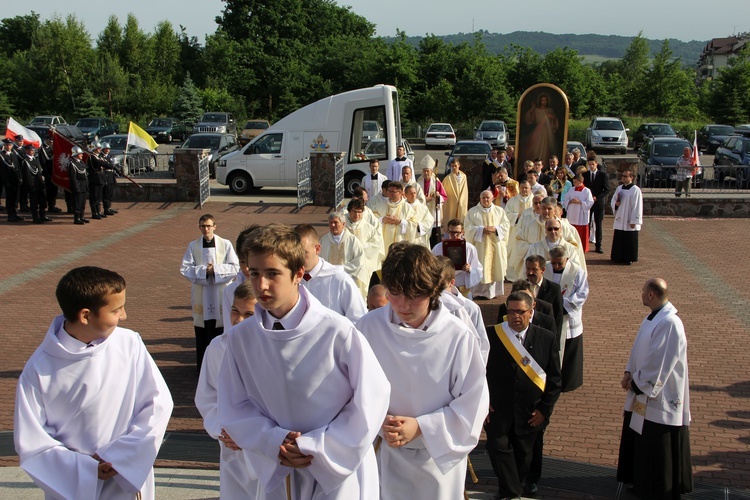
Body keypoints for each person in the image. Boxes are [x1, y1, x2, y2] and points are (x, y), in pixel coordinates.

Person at [217, 224, 390, 499]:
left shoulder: (337, 331)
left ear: (298, 273)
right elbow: (234, 405)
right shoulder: (241, 339)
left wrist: (316, 446)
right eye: (255, 273)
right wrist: (273, 442)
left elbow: (371, 399)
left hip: (336, 467)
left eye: (273, 274)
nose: (261, 285)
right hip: (278, 463)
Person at [14, 266, 173, 500]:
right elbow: (33, 442)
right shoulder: (40, 369)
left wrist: (122, 456)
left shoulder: (129, 343)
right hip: (75, 486)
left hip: (126, 476)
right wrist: (87, 469)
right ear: (86, 315)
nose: (124, 316)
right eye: (116, 310)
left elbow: (157, 403)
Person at [356, 243, 489, 500]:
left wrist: (421, 427)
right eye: (395, 293)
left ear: (434, 290)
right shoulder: (367, 328)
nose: (403, 305)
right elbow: (350, 389)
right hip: (382, 452)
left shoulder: (457, 335)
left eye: (414, 295)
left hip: (437, 459)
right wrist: (375, 419)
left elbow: (473, 403)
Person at [616, 278, 693, 499]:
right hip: (642, 389)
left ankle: (659, 488)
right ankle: (643, 482)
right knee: (643, 440)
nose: (641, 294)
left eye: (643, 291)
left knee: (658, 443)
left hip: (659, 397)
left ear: (651, 294)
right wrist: (629, 371)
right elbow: (638, 346)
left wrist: (638, 383)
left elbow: (659, 362)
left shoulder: (670, 323)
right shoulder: (653, 317)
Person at [484, 291, 561, 500]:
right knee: (497, 448)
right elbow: (476, 372)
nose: (515, 316)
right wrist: (483, 402)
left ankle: (508, 492)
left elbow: (555, 380)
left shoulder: (546, 338)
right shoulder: (491, 335)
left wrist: (544, 410)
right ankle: (511, 492)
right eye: (511, 311)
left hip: (530, 412)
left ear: (531, 311)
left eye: (520, 312)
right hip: (498, 410)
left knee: (523, 458)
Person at [196, 280, 260, 498]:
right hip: (231, 445)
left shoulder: (273, 347)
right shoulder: (218, 347)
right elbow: (207, 396)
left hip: (264, 444)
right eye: (235, 311)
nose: (239, 319)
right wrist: (221, 429)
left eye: (249, 314)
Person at [180, 214, 240, 372]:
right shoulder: (193, 246)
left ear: (215, 226)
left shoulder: (225, 244)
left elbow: (235, 266)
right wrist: (203, 271)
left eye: (208, 226)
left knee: (220, 331)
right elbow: (185, 268)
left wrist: (216, 269)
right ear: (199, 227)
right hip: (202, 293)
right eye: (202, 226)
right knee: (202, 334)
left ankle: (221, 368)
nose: (205, 229)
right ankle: (202, 369)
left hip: (220, 293)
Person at [295, 224, 367, 322]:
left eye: (304, 253)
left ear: (317, 249)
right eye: (294, 253)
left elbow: (359, 319)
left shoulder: (339, 279)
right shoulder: (288, 278)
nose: (298, 258)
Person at [545, 246, 588, 391]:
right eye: (554, 263)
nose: (556, 266)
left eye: (560, 263)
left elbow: (582, 293)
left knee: (569, 350)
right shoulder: (545, 268)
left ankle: (568, 382)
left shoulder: (577, 271)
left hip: (568, 317)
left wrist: (561, 305)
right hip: (549, 315)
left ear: (567, 259)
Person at [464, 190, 510, 299]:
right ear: (480, 199)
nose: (486, 200)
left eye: (488, 197)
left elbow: (506, 226)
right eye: (483, 197)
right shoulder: (472, 212)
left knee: (496, 266)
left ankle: (493, 292)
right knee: (480, 266)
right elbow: (467, 227)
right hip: (480, 246)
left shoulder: (499, 211)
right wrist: (480, 230)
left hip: (496, 246)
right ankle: (479, 292)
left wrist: (496, 229)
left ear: (492, 198)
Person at [319, 212, 369, 298]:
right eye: (331, 223)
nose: (333, 225)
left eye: (335, 222)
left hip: (347, 280)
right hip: (329, 281)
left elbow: (359, 262)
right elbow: (318, 260)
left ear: (343, 224)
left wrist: (341, 268)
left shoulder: (352, 240)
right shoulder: (324, 240)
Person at [431, 218, 483, 294]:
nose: (454, 235)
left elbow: (478, 269)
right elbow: (431, 267)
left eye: (457, 233)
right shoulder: (438, 248)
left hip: (463, 285)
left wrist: (470, 269)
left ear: (462, 232)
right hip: (445, 286)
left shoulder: (470, 248)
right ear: (448, 232)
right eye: (451, 233)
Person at [221, 225, 260, 327]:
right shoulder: (230, 291)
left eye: (251, 262)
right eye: (242, 262)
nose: (247, 268)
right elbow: (228, 328)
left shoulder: (275, 290)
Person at [370, 181, 419, 250]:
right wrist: (382, 219)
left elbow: (414, 224)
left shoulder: (407, 208)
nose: (390, 194)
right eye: (389, 191)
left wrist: (400, 222)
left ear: (401, 192)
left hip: (400, 243)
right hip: (384, 242)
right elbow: (372, 217)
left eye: (393, 192)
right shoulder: (380, 205)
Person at [525, 254, 564, 338]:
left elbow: (558, 318)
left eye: (534, 269)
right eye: (528, 269)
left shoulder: (554, 289)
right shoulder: (520, 287)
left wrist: (555, 341)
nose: (530, 272)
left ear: (543, 270)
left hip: (544, 335)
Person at [611, 169, 643, 265]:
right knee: (619, 237)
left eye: (626, 176)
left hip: (629, 217)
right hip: (620, 216)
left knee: (629, 239)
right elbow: (613, 200)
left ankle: (629, 258)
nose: (623, 178)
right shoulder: (619, 188)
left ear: (631, 178)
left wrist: (634, 220)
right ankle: (617, 257)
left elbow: (637, 206)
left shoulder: (635, 190)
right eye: (623, 176)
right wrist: (616, 204)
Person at [345, 198, 385, 276]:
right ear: (349, 211)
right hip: (346, 264)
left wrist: (361, 245)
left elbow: (376, 245)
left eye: (359, 212)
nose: (357, 215)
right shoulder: (342, 226)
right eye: (354, 211)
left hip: (362, 266)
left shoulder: (369, 228)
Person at [522, 94, 559, 168]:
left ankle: (544, 165)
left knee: (545, 150)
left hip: (547, 133)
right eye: (542, 100)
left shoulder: (550, 110)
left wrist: (552, 117)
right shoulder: (536, 110)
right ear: (540, 101)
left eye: (545, 100)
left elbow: (555, 121)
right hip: (537, 132)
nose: (544, 102)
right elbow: (531, 120)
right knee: (535, 149)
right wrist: (532, 110)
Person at [583, 156, 610, 254]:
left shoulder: (602, 175)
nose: (591, 166)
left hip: (598, 203)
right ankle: (585, 244)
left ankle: (598, 245)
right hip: (588, 203)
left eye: (592, 164)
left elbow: (607, 189)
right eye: (589, 165)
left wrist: (597, 197)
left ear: (596, 164)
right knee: (587, 223)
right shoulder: (585, 175)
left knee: (598, 224)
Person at [19, 144, 51, 224]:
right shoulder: (25, 161)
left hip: (39, 184)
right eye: (30, 150)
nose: (32, 152)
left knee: (42, 200)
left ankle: (42, 216)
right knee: (34, 202)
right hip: (33, 185)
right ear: (26, 151)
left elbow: (39, 171)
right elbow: (27, 175)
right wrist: (30, 186)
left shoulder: (35, 159)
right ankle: (35, 218)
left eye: (33, 150)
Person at [563, 174, 594, 253]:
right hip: (572, 213)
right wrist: (570, 201)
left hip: (581, 215)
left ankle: (583, 248)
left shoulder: (586, 190)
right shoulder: (572, 189)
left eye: (575, 182)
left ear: (580, 181)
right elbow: (566, 198)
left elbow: (590, 202)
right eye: (573, 182)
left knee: (581, 233)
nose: (574, 184)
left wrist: (580, 202)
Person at [442, 158, 469, 233]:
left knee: (461, 219)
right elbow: (444, 191)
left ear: (459, 165)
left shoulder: (463, 176)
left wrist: (461, 200)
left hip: (461, 202)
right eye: (452, 166)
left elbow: (465, 190)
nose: (454, 168)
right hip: (452, 203)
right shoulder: (447, 178)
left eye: (455, 166)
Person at [418, 160, 447, 227]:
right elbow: (415, 195)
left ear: (431, 171)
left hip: (434, 211)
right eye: (424, 171)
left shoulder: (436, 182)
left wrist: (438, 196)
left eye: (427, 171)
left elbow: (444, 196)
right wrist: (424, 198)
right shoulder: (419, 181)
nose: (426, 173)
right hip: (422, 210)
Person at [1, 138, 23, 222]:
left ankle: (15, 213)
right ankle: (10, 215)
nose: (8, 146)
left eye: (10, 145)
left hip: (15, 178)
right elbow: (2, 170)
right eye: (7, 145)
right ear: (4, 145)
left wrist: (20, 177)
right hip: (8, 180)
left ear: (12, 146)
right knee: (10, 197)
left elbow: (17, 166)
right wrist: (5, 181)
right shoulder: (2, 155)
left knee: (16, 197)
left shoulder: (13, 153)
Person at [68, 146, 90, 225]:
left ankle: (81, 216)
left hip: (83, 185)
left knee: (82, 203)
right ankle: (77, 218)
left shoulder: (81, 162)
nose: (82, 155)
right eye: (80, 154)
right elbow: (73, 178)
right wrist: (76, 188)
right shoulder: (72, 164)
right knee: (77, 202)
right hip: (78, 185)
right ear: (76, 154)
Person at [87, 141, 107, 220]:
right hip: (94, 179)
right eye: (98, 148)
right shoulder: (92, 157)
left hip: (99, 179)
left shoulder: (98, 156)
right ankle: (94, 212)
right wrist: (110, 166)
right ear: (95, 149)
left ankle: (98, 211)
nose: (100, 150)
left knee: (98, 197)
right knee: (94, 197)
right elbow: (100, 163)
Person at [100, 141, 118, 215]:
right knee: (106, 193)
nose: (107, 150)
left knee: (110, 193)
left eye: (108, 149)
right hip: (106, 176)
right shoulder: (101, 157)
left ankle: (109, 207)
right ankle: (106, 209)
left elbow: (113, 165)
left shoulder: (110, 156)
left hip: (111, 175)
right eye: (105, 149)